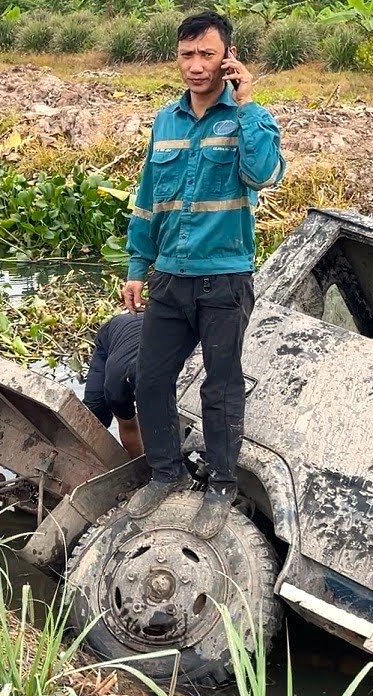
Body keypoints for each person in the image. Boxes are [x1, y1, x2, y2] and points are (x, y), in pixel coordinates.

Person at [120, 10, 285, 539]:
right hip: (170, 276)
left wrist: (249, 104)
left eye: (207, 55)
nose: (195, 66)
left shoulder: (247, 119)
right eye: (187, 55)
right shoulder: (165, 122)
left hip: (224, 277)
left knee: (221, 387)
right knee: (149, 378)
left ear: (227, 58)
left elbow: (265, 174)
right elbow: (148, 200)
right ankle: (166, 474)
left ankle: (221, 486)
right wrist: (136, 267)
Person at [83, 311, 145, 459]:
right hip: (114, 331)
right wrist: (140, 468)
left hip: (152, 327)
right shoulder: (117, 386)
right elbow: (128, 426)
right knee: (95, 414)